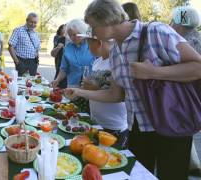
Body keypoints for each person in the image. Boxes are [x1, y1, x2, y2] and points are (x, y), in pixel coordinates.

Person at [66, 0, 201, 179]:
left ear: (106, 20)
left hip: (170, 121)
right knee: (138, 175)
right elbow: (117, 94)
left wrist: (154, 72)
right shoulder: (115, 51)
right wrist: (79, 92)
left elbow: (197, 66)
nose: (92, 33)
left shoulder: (155, 31)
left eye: (92, 26)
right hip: (138, 127)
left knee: (172, 175)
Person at [79, 33, 128, 149]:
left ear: (98, 43)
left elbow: (117, 95)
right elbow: (94, 90)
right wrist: (86, 88)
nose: (87, 48)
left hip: (113, 126)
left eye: (88, 44)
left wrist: (90, 90)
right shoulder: (97, 61)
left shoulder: (117, 61)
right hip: (96, 121)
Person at [170, 6, 201, 176]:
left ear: (180, 24)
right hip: (193, 103)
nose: (170, 25)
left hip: (182, 104)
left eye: (173, 21)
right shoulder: (198, 40)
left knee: (178, 150)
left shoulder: (182, 44)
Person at [51, 19, 94, 88]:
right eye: (70, 35)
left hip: (90, 87)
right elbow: (64, 69)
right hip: (72, 86)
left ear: (82, 31)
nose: (72, 38)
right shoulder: (68, 47)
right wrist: (57, 80)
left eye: (74, 34)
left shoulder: (92, 44)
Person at [51, 24, 68, 88]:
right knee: (58, 87)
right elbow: (53, 54)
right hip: (60, 68)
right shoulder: (60, 39)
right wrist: (58, 47)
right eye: (64, 28)